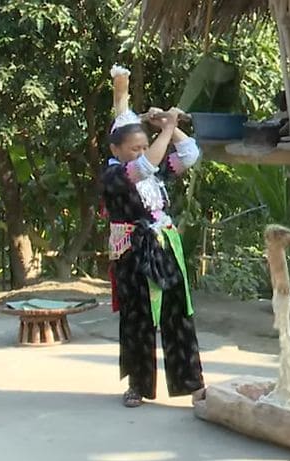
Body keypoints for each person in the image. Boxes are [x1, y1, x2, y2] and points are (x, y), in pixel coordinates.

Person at [101, 105, 205, 408]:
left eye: (145, 146)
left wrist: (166, 126)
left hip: (163, 244)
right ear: (115, 149)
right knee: (138, 318)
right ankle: (138, 385)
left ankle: (193, 384)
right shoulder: (114, 174)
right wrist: (168, 128)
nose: (141, 152)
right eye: (134, 148)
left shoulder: (156, 169)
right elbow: (144, 166)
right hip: (133, 251)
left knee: (178, 314)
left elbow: (189, 154)